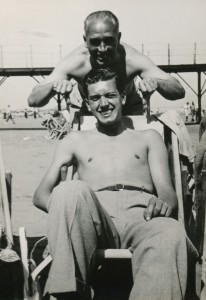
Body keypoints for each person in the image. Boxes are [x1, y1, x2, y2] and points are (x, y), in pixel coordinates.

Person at [33, 68, 197, 300]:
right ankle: (67, 294)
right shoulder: (75, 140)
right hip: (94, 215)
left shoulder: (148, 137)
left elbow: (168, 195)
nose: (103, 104)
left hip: (142, 216)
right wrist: (67, 210)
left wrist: (162, 205)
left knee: (170, 231)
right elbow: (41, 194)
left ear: (122, 97)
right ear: (88, 104)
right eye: (95, 98)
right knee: (69, 190)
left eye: (109, 95)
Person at [28, 10, 185, 118]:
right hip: (91, 111)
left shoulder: (132, 59)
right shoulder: (74, 62)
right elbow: (33, 100)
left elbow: (178, 91)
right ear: (85, 41)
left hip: (129, 109)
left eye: (109, 41)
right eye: (95, 42)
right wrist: (55, 86)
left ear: (119, 37)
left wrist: (156, 83)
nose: (102, 49)